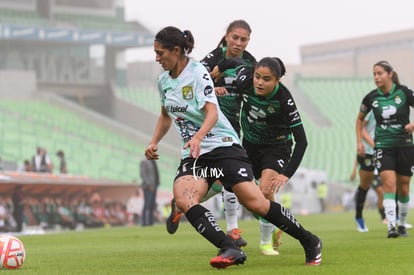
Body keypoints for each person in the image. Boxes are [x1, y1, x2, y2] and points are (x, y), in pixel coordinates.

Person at [147, 26, 322, 268]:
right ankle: (228, 246)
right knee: (184, 198)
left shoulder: (198, 72)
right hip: (195, 154)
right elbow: (165, 115)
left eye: (160, 53)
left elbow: (211, 113)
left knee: (256, 203)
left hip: (223, 146)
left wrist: (198, 136)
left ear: (176, 51)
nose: (157, 58)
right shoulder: (164, 82)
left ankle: (310, 240)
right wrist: (154, 141)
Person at [166, 19, 256, 249]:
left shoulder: (250, 63)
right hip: (210, 126)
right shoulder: (212, 59)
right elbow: (196, 83)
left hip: (233, 125)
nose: (238, 43)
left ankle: (181, 205)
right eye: (234, 37)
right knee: (227, 178)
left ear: (248, 41)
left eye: (243, 39)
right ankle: (233, 230)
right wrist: (213, 88)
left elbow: (255, 88)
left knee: (223, 180)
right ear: (226, 36)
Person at [217, 56, 309, 256]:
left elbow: (302, 141)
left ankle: (266, 244)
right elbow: (232, 62)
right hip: (249, 145)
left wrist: (286, 174)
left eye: (266, 79)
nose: (259, 82)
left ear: (277, 81)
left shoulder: (285, 99)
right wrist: (214, 75)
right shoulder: (245, 79)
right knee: (245, 197)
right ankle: (275, 222)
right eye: (257, 76)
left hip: (277, 147)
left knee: (265, 190)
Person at [356, 60, 414, 238]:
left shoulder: (404, 93)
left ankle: (402, 223)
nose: (376, 77)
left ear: (390, 74)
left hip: (405, 145)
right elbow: (359, 121)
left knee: (404, 187)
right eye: (374, 74)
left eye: (379, 73)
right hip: (383, 146)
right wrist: (360, 141)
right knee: (389, 185)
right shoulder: (371, 97)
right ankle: (391, 226)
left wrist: (413, 124)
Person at [350, 110, 386, 232]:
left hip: (386, 150)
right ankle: (359, 217)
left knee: (391, 184)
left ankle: (393, 218)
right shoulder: (372, 108)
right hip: (369, 152)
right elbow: (361, 126)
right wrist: (374, 145)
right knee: (364, 185)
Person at [140, 158, 160, 226]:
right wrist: (149, 184)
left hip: (155, 185)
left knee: (152, 205)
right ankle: (144, 222)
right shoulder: (144, 162)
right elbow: (143, 174)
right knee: (147, 204)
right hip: (148, 186)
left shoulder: (153, 161)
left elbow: (155, 173)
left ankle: (151, 222)